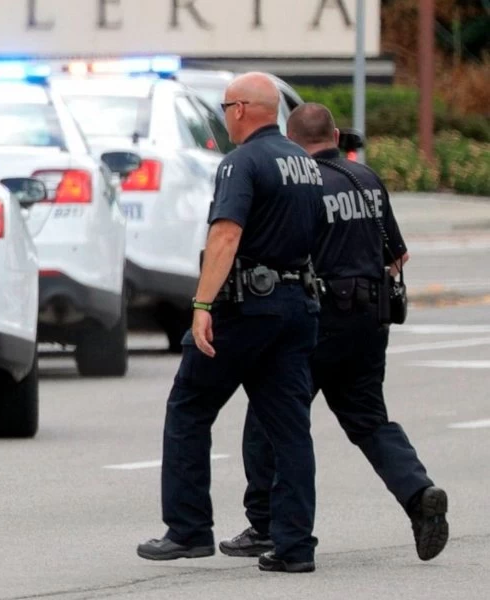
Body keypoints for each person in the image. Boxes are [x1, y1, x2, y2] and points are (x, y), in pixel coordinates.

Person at [221, 103, 448, 562]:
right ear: (338, 135)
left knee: (271, 417)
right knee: (369, 420)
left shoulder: (302, 184)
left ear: (289, 140)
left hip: (315, 318)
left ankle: (265, 525)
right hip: (369, 319)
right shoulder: (365, 180)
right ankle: (418, 494)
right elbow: (397, 255)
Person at [135, 73, 327, 573]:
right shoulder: (305, 163)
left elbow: (225, 236)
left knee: (190, 407)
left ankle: (189, 529)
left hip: (245, 308)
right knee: (290, 430)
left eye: (225, 108)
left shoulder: (241, 162)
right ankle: (294, 546)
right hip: (296, 307)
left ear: (241, 109)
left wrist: (201, 307)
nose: (224, 116)